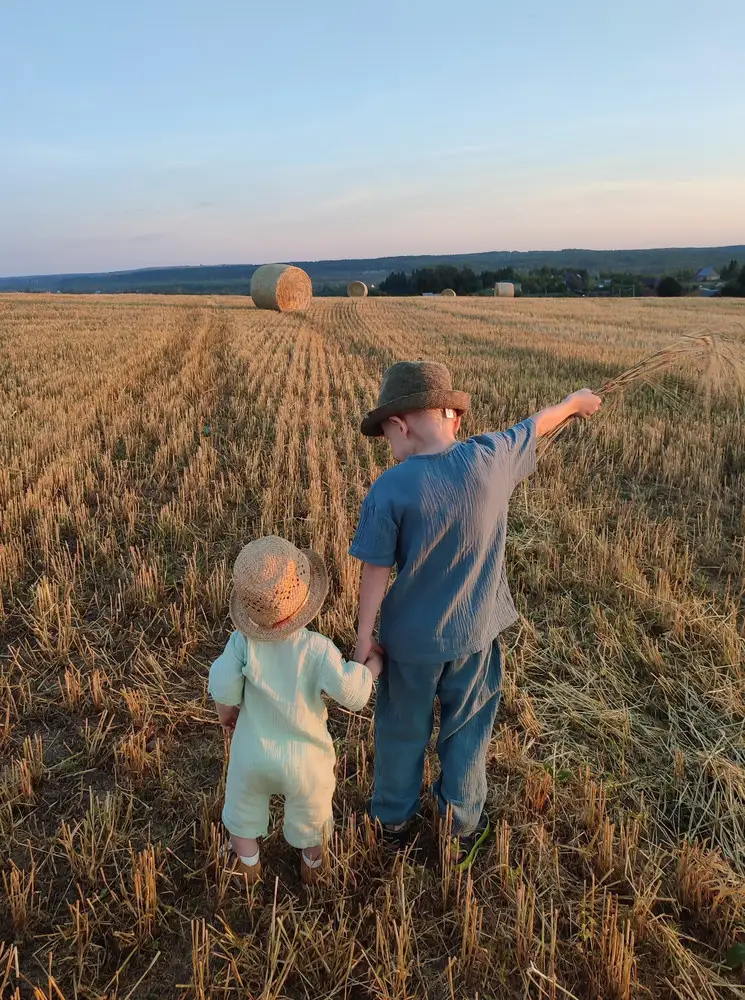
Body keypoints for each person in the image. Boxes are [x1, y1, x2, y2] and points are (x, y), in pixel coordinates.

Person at [350, 360, 601, 868]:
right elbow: (537, 422)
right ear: (454, 419)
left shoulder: (390, 490)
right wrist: (576, 404)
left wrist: (363, 640)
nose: (389, 448)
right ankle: (460, 825)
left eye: (386, 437)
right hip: (475, 638)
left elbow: (374, 574)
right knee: (467, 731)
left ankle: (393, 821)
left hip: (408, 646)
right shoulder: (492, 457)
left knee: (401, 730)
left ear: (400, 425)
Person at [209, 535, 383, 885]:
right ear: (305, 600)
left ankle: (246, 865)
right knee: (312, 818)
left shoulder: (242, 642)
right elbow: (352, 694)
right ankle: (313, 869)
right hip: (306, 762)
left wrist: (225, 712)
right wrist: (371, 668)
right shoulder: (316, 650)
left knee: (242, 815)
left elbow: (222, 681)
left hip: (251, 755)